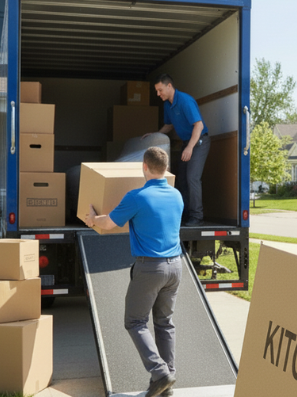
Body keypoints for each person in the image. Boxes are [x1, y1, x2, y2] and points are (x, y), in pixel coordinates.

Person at [86, 147, 183, 397]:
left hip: (151, 267)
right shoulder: (177, 195)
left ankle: (160, 372)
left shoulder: (137, 196)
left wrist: (94, 219)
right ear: (166, 168)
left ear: (144, 166)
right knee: (164, 323)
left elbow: (109, 223)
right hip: (176, 266)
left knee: (135, 321)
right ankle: (166, 383)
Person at [147, 73, 210, 227]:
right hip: (187, 143)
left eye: (160, 90)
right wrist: (156, 135)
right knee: (181, 179)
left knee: (192, 178)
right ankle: (186, 214)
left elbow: (199, 125)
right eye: (157, 91)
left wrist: (189, 147)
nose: (158, 94)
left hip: (199, 141)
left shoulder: (185, 101)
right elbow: (169, 125)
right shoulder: (167, 105)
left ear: (169, 86)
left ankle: (197, 217)